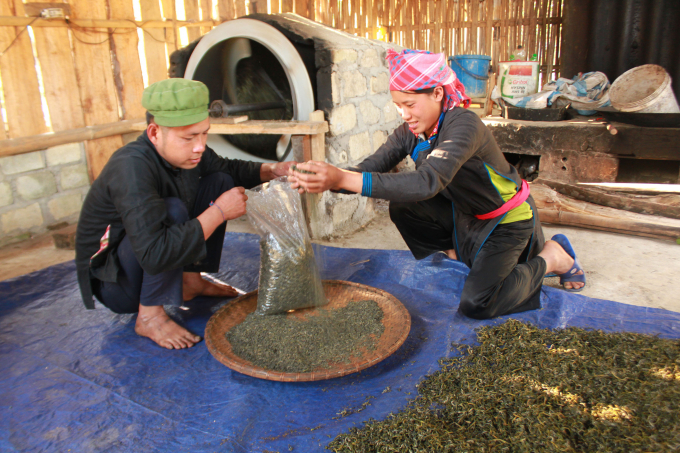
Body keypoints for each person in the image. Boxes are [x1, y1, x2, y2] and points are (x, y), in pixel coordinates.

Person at [290, 49, 585, 320]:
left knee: (478, 303)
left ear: (437, 93)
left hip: (507, 221)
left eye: (409, 104)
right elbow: (366, 171)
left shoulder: (463, 124)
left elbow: (426, 182)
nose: (404, 114)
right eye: (397, 106)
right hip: (467, 215)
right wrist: (324, 178)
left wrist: (342, 178)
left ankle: (552, 257)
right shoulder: (410, 132)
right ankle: (456, 257)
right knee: (404, 205)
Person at [75, 79, 293, 349]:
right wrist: (219, 212)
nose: (200, 146)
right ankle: (150, 317)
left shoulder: (186, 152)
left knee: (219, 179)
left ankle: (191, 281)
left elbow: (228, 168)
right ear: (154, 133)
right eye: (189, 137)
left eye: (204, 134)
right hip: (119, 284)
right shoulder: (131, 167)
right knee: (173, 209)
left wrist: (273, 170)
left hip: (147, 260)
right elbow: (154, 253)